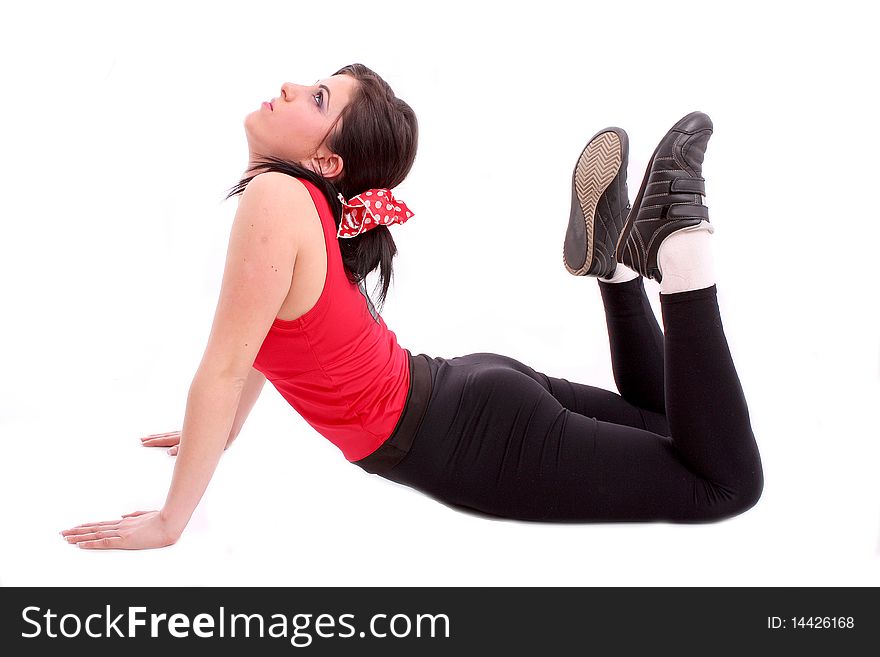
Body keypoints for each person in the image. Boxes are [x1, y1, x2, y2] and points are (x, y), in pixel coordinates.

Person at [61, 64, 763, 550]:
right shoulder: (298, 203)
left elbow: (223, 367)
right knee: (678, 424)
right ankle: (613, 267)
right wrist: (217, 436)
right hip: (474, 400)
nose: (289, 85)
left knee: (725, 483)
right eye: (315, 90)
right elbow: (258, 352)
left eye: (316, 97)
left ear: (329, 163)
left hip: (472, 434)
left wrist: (169, 521)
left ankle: (679, 250)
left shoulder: (278, 198)